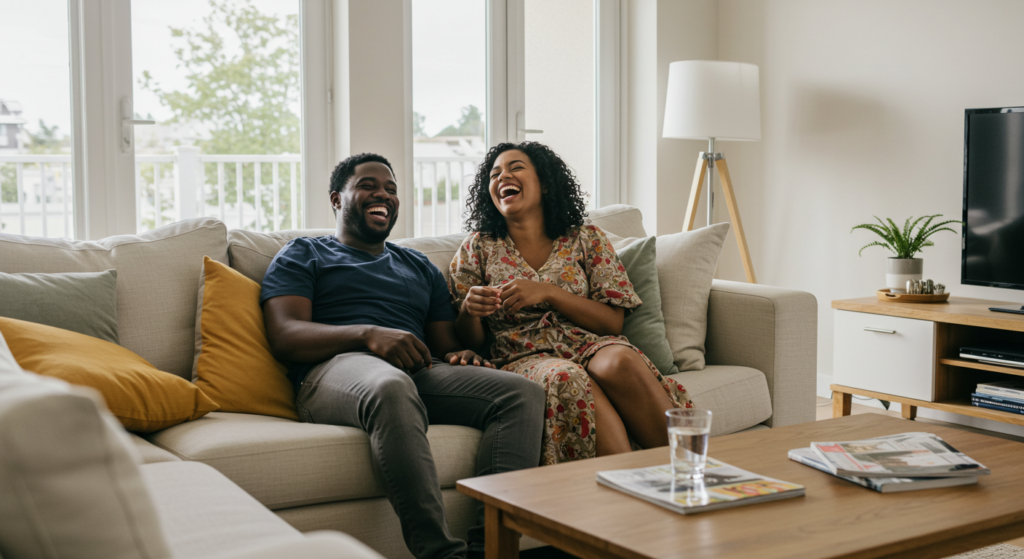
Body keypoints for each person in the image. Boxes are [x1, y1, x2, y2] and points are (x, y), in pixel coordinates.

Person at [260, 153, 545, 559]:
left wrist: (463, 352)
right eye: (368, 186)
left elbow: (444, 344)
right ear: (337, 200)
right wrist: (368, 335)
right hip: (334, 371)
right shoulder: (304, 253)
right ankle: (439, 553)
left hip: (417, 370)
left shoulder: (419, 266)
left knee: (521, 393)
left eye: (391, 189)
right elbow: (285, 335)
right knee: (390, 385)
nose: (383, 195)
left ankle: (492, 550)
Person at [448, 142, 693, 466]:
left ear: (546, 182)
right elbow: (471, 342)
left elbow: (612, 324)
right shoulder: (478, 246)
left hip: (589, 342)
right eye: (494, 174)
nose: (502, 176)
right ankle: (629, 484)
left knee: (620, 360)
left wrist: (550, 292)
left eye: (515, 167)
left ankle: (691, 471)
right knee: (567, 377)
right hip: (522, 354)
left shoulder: (587, 237)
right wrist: (470, 311)